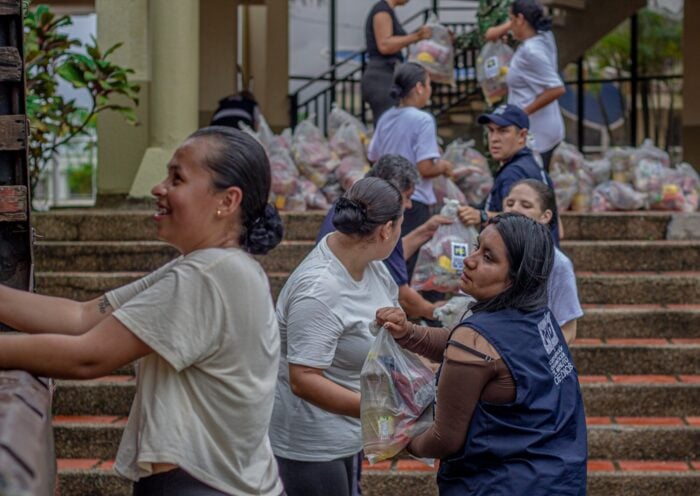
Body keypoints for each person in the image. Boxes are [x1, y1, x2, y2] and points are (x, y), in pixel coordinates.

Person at [0, 127, 285, 495]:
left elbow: (87, 356)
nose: (158, 188)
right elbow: (82, 317)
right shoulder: (211, 266)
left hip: (202, 485)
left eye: (177, 178)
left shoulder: (208, 275)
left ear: (227, 201)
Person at [376, 213, 587, 496]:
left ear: (515, 278)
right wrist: (407, 333)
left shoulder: (476, 338)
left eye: (488, 257)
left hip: (497, 483)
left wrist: (402, 437)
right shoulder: (539, 317)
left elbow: (444, 439)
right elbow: (466, 346)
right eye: (477, 247)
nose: (470, 260)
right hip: (558, 476)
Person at [270, 177, 404, 496]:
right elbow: (303, 379)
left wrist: (399, 322)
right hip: (311, 445)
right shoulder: (319, 290)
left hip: (348, 433)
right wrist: (377, 409)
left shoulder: (372, 265)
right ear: (386, 230)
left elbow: (384, 311)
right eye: (400, 227)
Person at [317, 154, 451, 320]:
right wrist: (435, 312)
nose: (409, 205)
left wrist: (425, 231)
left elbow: (390, 258)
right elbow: (403, 296)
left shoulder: (346, 207)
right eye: (407, 197)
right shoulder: (380, 220)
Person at [368, 62, 453, 276]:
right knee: (407, 264)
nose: (430, 90)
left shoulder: (386, 117)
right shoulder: (423, 119)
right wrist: (443, 166)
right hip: (414, 200)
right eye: (429, 84)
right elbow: (424, 168)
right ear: (419, 87)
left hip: (385, 197)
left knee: (387, 259)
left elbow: (373, 157)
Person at [458, 103, 560, 246]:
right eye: (491, 130)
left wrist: (480, 216)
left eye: (503, 131)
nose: (494, 138)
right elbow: (559, 229)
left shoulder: (515, 172)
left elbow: (518, 220)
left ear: (522, 135)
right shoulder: (531, 164)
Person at [485, 0, 565, 171]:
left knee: (529, 188)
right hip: (540, 130)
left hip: (536, 134)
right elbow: (491, 35)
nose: (509, 24)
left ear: (520, 19)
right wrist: (513, 23)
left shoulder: (531, 51)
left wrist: (522, 113)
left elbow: (557, 88)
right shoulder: (544, 37)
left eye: (511, 19)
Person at [503, 179, 583, 343]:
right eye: (510, 203)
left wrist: (536, 356)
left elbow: (568, 328)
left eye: (526, 205)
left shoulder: (558, 264)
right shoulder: (487, 251)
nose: (514, 209)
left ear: (545, 216)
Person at [362, 0, 432, 121]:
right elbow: (384, 45)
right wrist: (416, 36)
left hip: (387, 75)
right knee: (388, 125)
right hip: (381, 77)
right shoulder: (382, 10)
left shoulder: (388, 10)